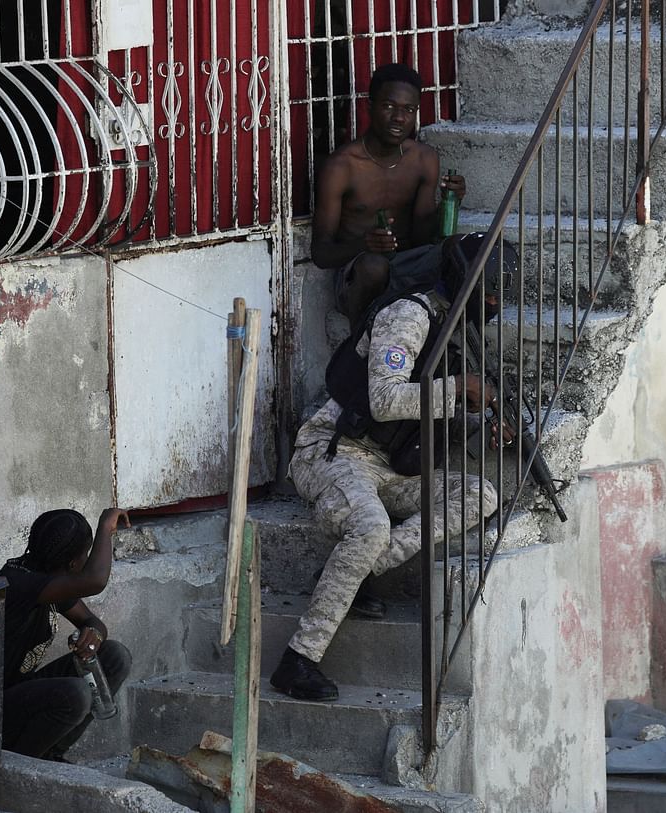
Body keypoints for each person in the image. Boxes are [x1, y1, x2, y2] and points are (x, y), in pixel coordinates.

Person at [270, 234, 513, 701]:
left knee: (479, 494)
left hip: (394, 470)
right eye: (492, 290)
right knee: (369, 526)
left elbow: (435, 413)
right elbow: (384, 402)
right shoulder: (408, 315)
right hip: (335, 452)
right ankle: (298, 659)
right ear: (469, 282)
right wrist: (460, 386)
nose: (498, 301)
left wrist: (482, 420)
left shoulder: (457, 328)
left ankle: (362, 570)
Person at [312, 63, 468, 328]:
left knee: (467, 249)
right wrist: (364, 245)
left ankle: (452, 346)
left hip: (408, 266)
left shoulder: (423, 159)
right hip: (358, 275)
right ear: (370, 106)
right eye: (389, 106)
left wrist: (450, 202)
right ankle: (359, 345)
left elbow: (422, 238)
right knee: (374, 266)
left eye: (409, 110)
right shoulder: (342, 166)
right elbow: (320, 254)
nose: (399, 118)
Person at [0, 507, 132, 760]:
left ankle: (51, 754)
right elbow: (95, 580)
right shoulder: (21, 582)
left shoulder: (47, 575)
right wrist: (105, 527)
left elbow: (92, 621)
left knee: (115, 656)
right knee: (75, 694)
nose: (86, 561)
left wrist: (93, 633)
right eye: (86, 555)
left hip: (22, 691)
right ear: (73, 564)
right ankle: (21, 763)